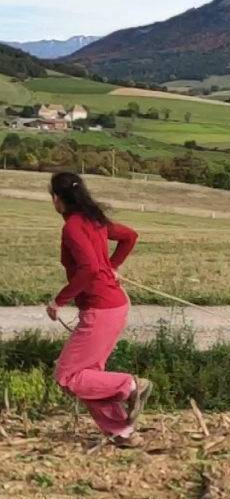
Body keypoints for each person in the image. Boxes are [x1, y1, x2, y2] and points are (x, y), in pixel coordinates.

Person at [46, 172, 152, 448]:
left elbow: (89, 268)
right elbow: (129, 237)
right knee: (90, 376)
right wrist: (113, 265)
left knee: (68, 376)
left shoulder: (72, 227)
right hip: (112, 306)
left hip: (101, 308)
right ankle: (123, 433)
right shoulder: (95, 221)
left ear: (58, 199)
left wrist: (60, 300)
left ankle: (130, 386)